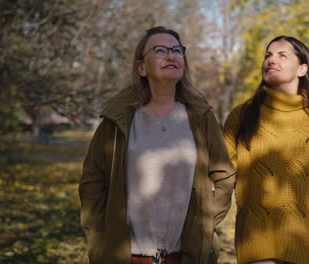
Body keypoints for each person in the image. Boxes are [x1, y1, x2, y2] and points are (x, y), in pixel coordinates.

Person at [79, 26, 235, 264]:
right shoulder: (117, 119)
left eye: (176, 50)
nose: (171, 55)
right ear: (141, 67)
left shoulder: (200, 117)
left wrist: (206, 222)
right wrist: (99, 238)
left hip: (186, 256)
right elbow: (92, 181)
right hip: (125, 256)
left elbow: (224, 175)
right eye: (160, 50)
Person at [223, 36, 309, 264]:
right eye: (268, 55)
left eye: (282, 55)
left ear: (302, 69)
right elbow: (221, 177)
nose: (272, 60)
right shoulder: (242, 116)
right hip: (258, 251)